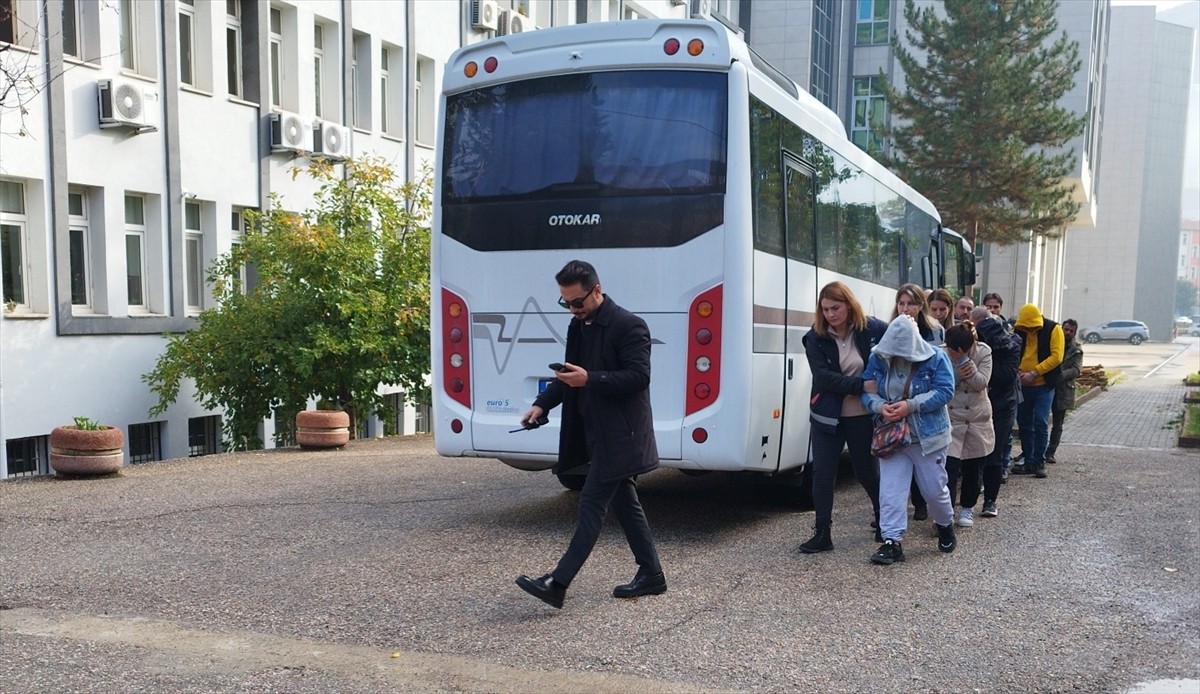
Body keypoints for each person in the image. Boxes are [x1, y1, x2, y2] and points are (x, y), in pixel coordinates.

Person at [515, 260, 664, 609]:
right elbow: (569, 376)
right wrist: (542, 405)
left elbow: (638, 377)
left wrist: (591, 380)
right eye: (566, 302)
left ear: (597, 291)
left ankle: (558, 582)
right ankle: (652, 574)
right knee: (626, 504)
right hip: (596, 432)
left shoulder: (630, 326)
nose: (572, 309)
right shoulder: (577, 327)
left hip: (623, 435)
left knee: (591, 503)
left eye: (577, 302)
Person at [799, 281, 887, 553]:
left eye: (835, 308)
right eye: (825, 309)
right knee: (823, 474)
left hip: (862, 415)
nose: (830, 314)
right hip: (827, 414)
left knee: (866, 472)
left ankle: (884, 521)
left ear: (849, 305)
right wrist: (860, 385)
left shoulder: (873, 328)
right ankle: (822, 531)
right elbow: (823, 378)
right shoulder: (814, 337)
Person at [862, 315, 958, 565]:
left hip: (928, 437)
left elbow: (945, 391)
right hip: (892, 436)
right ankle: (891, 541)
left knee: (933, 490)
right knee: (891, 492)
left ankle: (945, 523)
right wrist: (881, 407)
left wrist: (911, 406)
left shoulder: (936, 357)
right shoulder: (877, 357)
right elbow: (867, 391)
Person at [892, 283, 940, 521]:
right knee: (899, 465)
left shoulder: (932, 331)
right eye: (901, 303)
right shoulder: (892, 329)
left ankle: (936, 513)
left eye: (910, 303)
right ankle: (898, 517)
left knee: (930, 474)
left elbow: (940, 375)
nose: (905, 308)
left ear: (921, 306)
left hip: (925, 406)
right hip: (898, 409)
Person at [942, 322, 994, 528]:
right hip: (951, 418)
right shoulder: (941, 353)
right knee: (948, 469)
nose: (951, 353)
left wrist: (968, 368)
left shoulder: (983, 352)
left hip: (976, 418)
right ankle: (945, 513)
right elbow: (939, 382)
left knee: (974, 468)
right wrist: (956, 375)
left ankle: (967, 508)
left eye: (955, 352)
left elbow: (982, 382)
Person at [971, 306, 1021, 503]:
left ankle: (990, 500)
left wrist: (985, 361)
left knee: (994, 453)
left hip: (1002, 405)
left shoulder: (1011, 346)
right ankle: (971, 498)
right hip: (977, 405)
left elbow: (1005, 376)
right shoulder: (973, 348)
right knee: (973, 456)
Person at [1011, 303, 1064, 479]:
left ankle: (1039, 460)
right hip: (1023, 385)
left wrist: (1035, 372)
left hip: (1044, 385)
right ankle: (1028, 460)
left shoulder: (1053, 329)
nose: (1028, 330)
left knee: (1040, 421)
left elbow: (1057, 357)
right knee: (1024, 423)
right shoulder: (1019, 330)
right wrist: (1018, 371)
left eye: (1031, 327)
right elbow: (1014, 352)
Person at [1046, 318, 1083, 464]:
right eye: (1065, 329)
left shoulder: (1076, 350)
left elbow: (1076, 369)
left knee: (1058, 423)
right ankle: (1031, 451)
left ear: (1074, 333)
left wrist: (1059, 375)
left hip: (1063, 391)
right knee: (1040, 420)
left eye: (1071, 331)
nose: (1067, 333)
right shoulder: (1053, 343)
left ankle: (1050, 452)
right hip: (1047, 387)